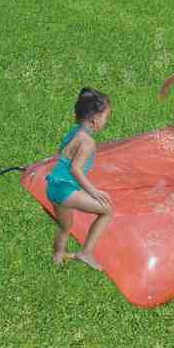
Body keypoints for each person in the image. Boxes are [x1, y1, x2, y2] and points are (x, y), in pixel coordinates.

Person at [45, 87, 113, 271]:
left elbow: (61, 152)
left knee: (65, 226)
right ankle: (85, 253)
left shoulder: (75, 131)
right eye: (105, 117)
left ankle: (57, 258)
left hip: (53, 185)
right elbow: (75, 170)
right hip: (65, 190)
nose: (106, 121)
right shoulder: (87, 142)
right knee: (107, 211)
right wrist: (94, 192)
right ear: (95, 118)